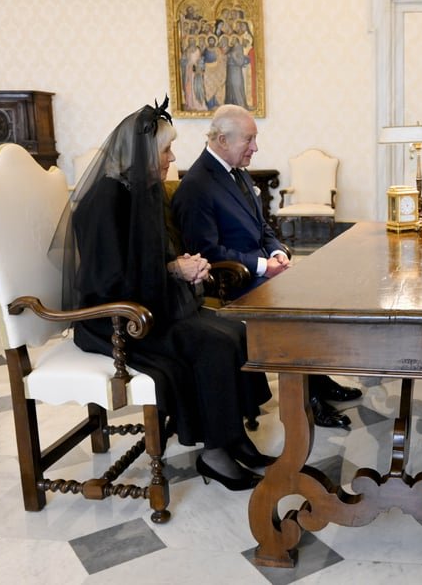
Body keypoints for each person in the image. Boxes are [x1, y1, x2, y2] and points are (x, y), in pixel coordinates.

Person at [52, 98, 274, 492]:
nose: (172, 158)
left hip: (151, 303)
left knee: (236, 331)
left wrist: (182, 263)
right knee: (213, 345)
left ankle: (234, 435)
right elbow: (109, 280)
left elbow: (153, 257)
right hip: (115, 319)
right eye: (166, 150)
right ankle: (215, 453)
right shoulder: (103, 201)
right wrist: (173, 269)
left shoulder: (145, 189)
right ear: (140, 155)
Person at [172, 104, 362, 428]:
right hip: (231, 281)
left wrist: (278, 252)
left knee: (319, 289)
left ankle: (319, 380)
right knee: (298, 306)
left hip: (259, 270)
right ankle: (309, 400)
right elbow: (205, 252)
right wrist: (262, 266)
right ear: (221, 139)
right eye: (249, 139)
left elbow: (264, 228)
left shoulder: (239, 173)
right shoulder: (197, 185)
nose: (255, 148)